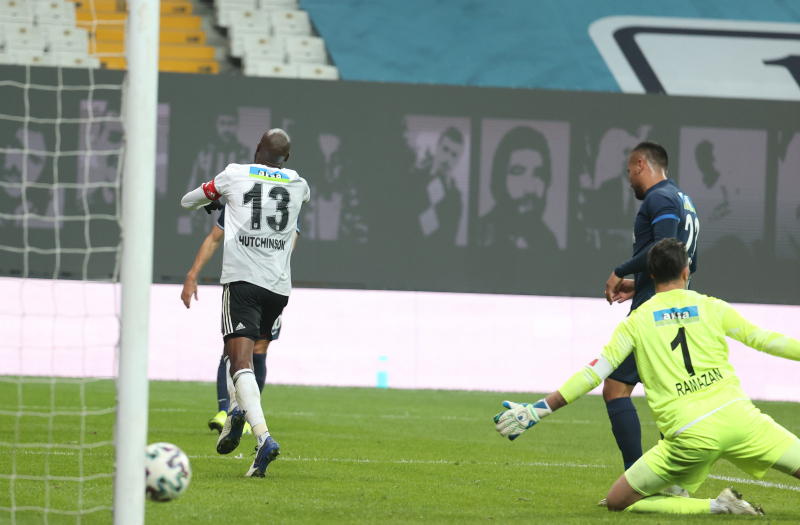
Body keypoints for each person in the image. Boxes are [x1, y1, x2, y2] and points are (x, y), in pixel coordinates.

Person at [495, 238, 800, 515]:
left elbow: (593, 374)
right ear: (686, 271)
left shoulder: (637, 322)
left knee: (618, 501)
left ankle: (719, 507)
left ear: (650, 275)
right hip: (742, 421)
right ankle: (694, 492)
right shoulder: (711, 307)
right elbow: (765, 340)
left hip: (690, 436)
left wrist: (537, 410)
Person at [181, 128, 309, 477]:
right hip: (278, 289)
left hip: (242, 284)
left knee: (237, 361)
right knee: (252, 353)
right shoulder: (299, 184)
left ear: (256, 149)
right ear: (287, 158)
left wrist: (213, 199)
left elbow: (188, 201)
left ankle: (263, 437)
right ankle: (237, 411)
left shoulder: (235, 175)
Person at [602, 142, 699, 489]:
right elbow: (683, 261)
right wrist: (639, 281)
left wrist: (621, 270)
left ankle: (637, 479)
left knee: (615, 388)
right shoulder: (683, 200)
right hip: (676, 305)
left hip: (653, 311)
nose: (629, 178)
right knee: (670, 393)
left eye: (630, 170)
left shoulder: (659, 198)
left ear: (641, 164)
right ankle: (673, 479)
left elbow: (663, 249)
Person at [180, 204, 300, 436]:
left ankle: (247, 414)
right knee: (232, 346)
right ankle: (225, 411)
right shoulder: (240, 197)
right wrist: (192, 274)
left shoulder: (287, 198)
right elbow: (214, 238)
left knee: (259, 347)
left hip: (269, 284)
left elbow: (290, 241)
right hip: (246, 284)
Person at [475, 126, 558, 252]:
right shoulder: (479, 235)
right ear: (500, 180)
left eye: (538, 174)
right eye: (518, 172)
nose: (530, 188)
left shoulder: (549, 241)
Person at [411, 126, 465, 244]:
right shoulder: (415, 177)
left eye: (454, 155)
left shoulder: (455, 199)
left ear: (458, 160)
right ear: (438, 146)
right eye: (445, 149)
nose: (447, 158)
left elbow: (448, 242)